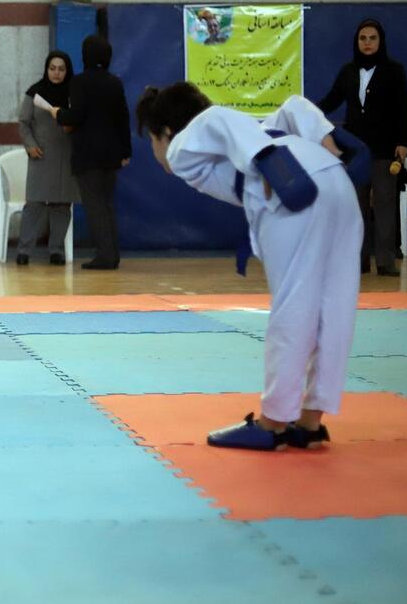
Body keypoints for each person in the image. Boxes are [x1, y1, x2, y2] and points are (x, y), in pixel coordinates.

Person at [136, 83, 363, 450]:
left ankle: (273, 423)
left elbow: (215, 116)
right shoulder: (261, 128)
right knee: (334, 306)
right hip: (336, 181)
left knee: (295, 306)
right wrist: (327, 139)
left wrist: (266, 159)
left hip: (290, 188)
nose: (155, 150)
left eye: (151, 140)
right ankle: (310, 421)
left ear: (164, 132)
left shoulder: (182, 147)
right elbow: (294, 106)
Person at [316, 18, 407, 277]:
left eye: (372, 38)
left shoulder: (394, 70)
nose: (367, 43)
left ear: (381, 41)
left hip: (385, 148)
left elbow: (402, 108)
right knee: (355, 207)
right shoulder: (347, 71)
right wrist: (306, 112)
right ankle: (359, 261)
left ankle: (385, 261)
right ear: (356, 42)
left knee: (384, 204)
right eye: (362, 38)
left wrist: (402, 142)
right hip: (355, 149)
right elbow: (332, 100)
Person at [48, 35, 131, 270]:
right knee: (107, 204)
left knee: (95, 206)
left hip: (88, 153)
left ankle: (105, 256)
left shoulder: (80, 82)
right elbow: (123, 118)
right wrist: (126, 151)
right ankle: (112, 255)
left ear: (85, 55)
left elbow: (76, 116)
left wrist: (58, 113)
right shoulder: (115, 82)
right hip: (112, 154)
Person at [16, 51, 79, 265]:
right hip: (40, 155)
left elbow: (82, 119)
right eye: (52, 68)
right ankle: (24, 251)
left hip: (66, 156)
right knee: (34, 204)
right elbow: (23, 123)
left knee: (61, 205)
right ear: (46, 69)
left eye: (61, 69)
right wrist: (30, 145)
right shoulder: (34, 93)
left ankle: (56, 251)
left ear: (67, 71)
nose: (56, 73)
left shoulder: (74, 93)